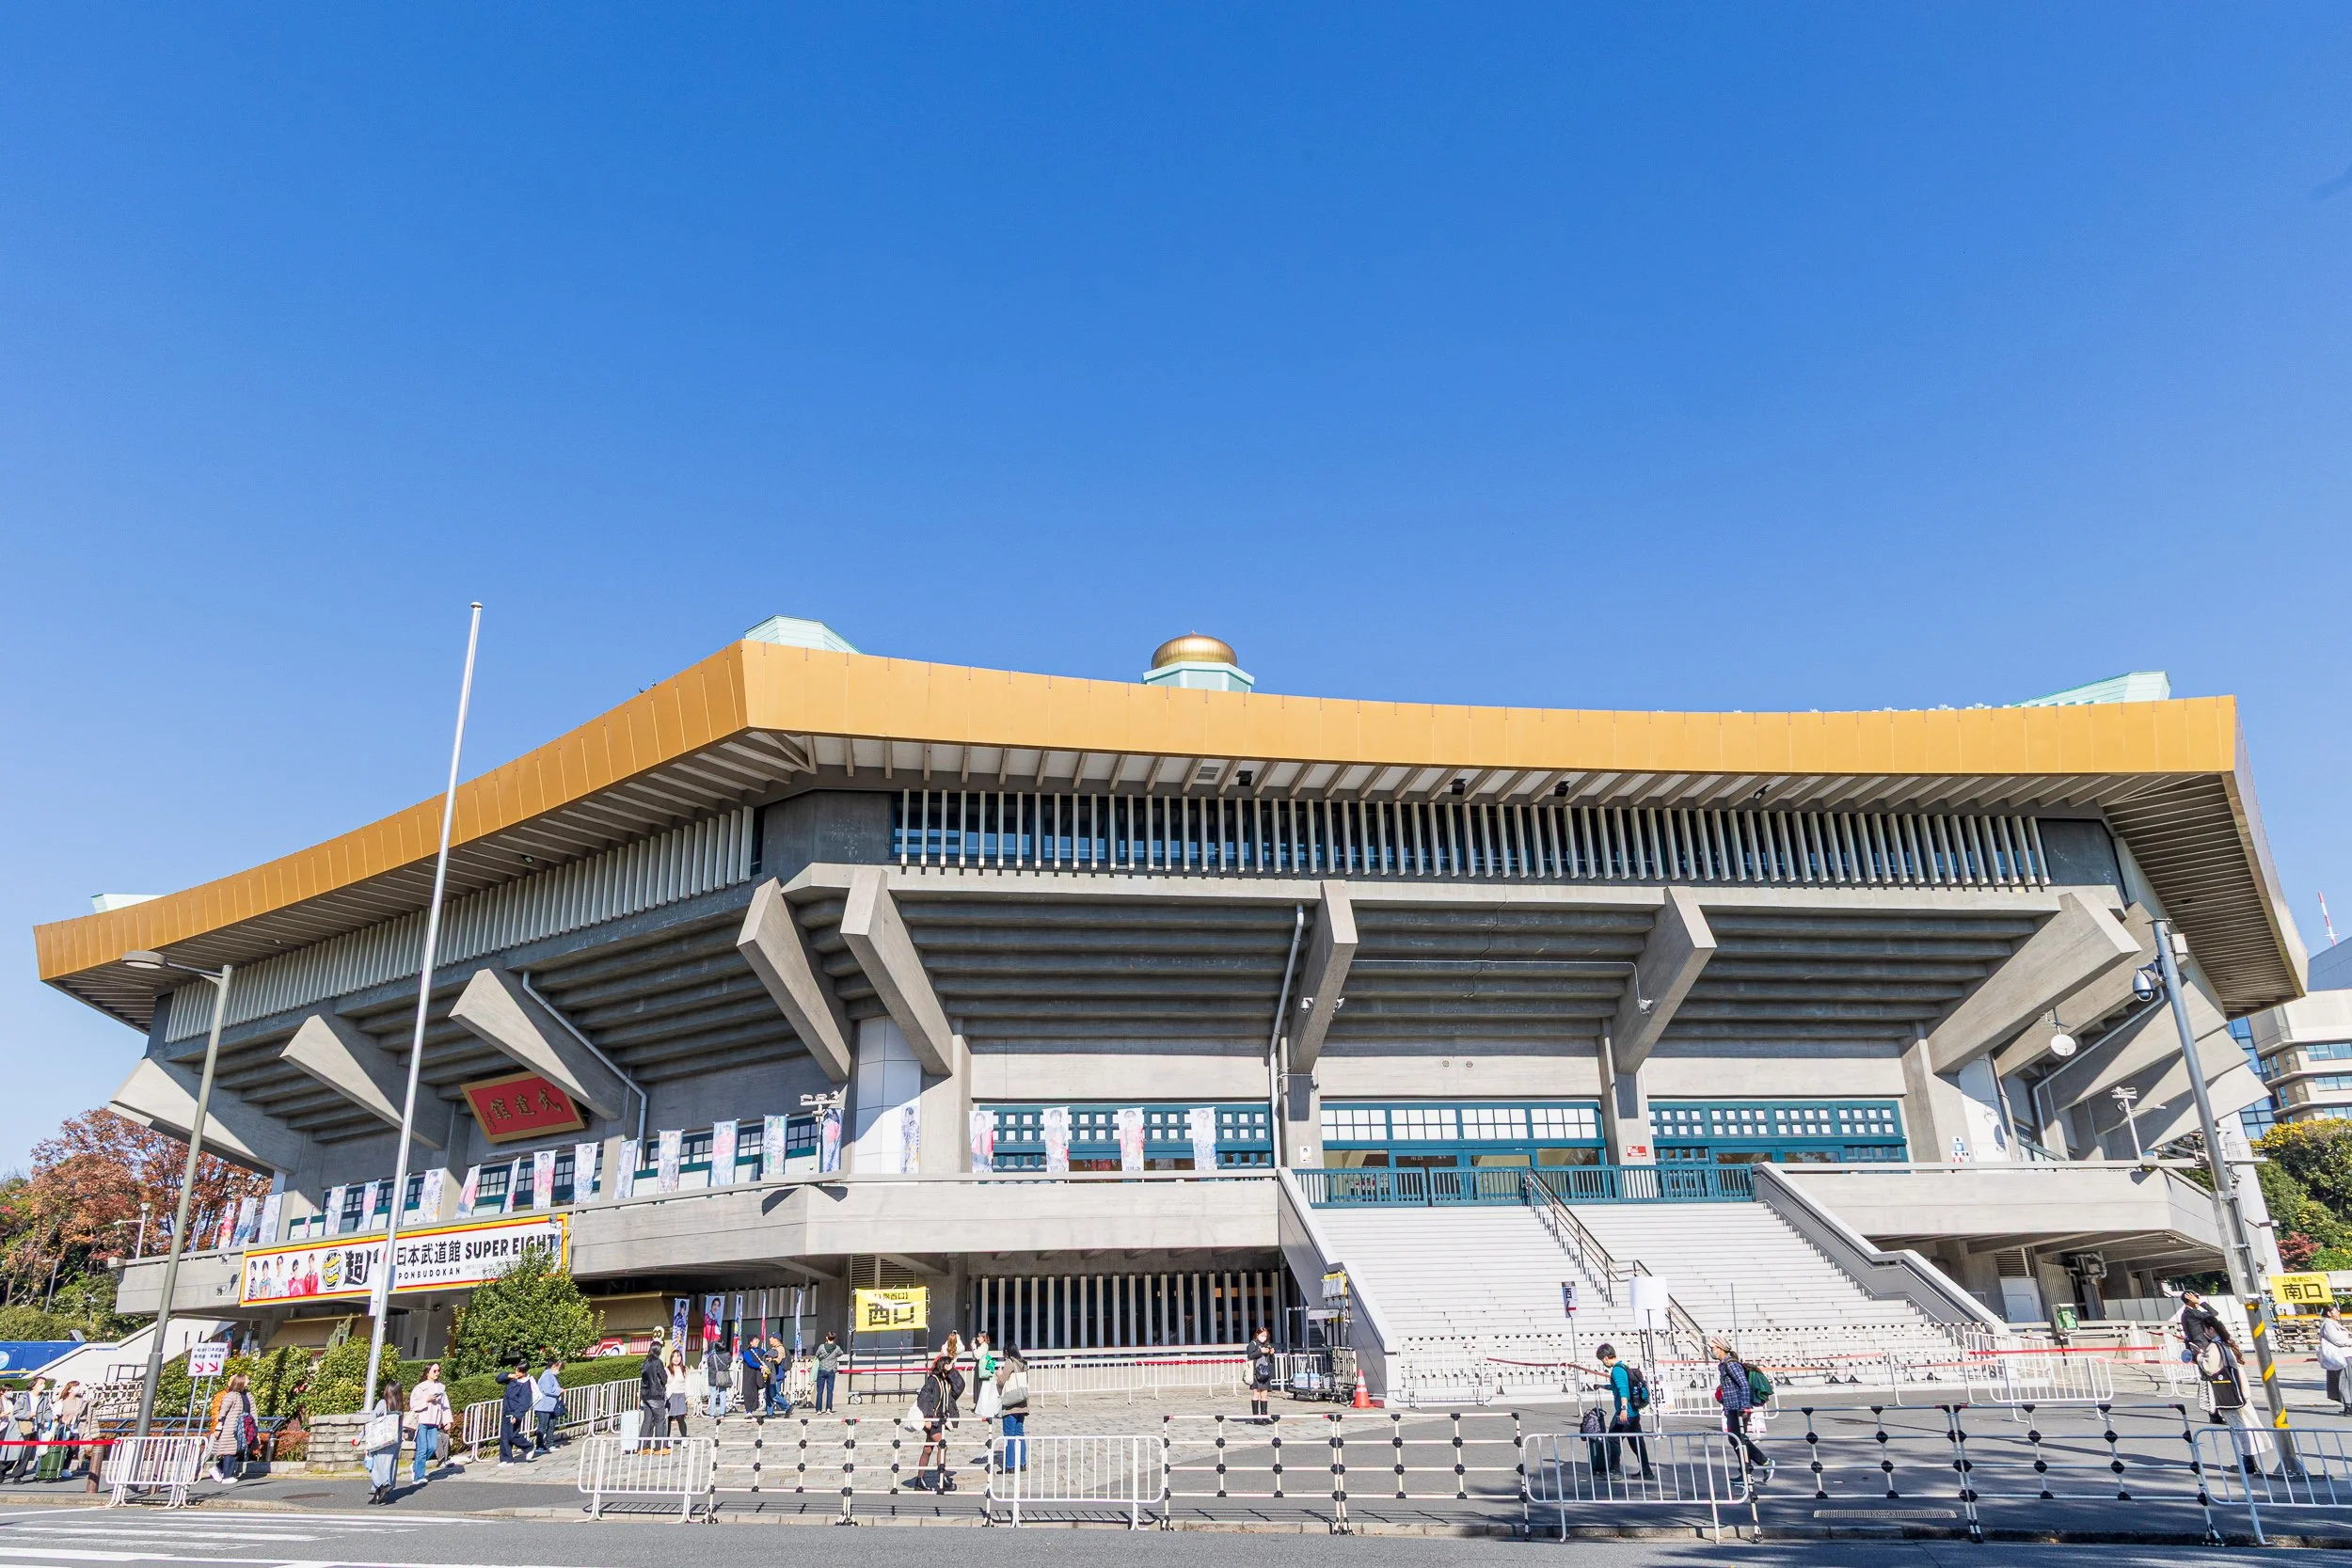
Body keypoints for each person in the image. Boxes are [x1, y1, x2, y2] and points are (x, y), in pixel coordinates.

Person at [1710, 1340, 1772, 1484]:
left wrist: (1744, 1406)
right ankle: (1746, 1472)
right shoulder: (1724, 1364)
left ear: (1720, 1349)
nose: (1711, 1351)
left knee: (1737, 1439)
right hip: (1732, 1407)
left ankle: (1763, 1462)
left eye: (1713, 1348)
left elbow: (1743, 1383)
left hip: (1739, 1407)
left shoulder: (1730, 1364)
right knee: (1737, 1439)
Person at [911, 1335, 965, 1491]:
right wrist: (928, 1418)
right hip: (933, 1420)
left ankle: (919, 1480)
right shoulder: (933, 1380)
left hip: (940, 1419)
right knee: (943, 1446)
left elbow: (960, 1386)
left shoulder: (946, 1381)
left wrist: (953, 1371)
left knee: (928, 1449)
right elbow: (924, 1398)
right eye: (947, 1366)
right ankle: (943, 1478)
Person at [1595, 1343, 1654, 1481]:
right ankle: (1646, 1471)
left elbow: (1623, 1391)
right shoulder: (1623, 1367)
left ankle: (1615, 1471)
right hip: (1633, 1413)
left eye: (1602, 1360)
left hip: (1626, 1413)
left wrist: (1623, 1409)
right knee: (1636, 1441)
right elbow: (1618, 1386)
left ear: (1605, 1358)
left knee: (1613, 1439)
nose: (1603, 1364)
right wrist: (1602, 1386)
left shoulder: (1616, 1370)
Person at [408, 1364, 452, 1484]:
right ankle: (419, 1476)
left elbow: (445, 1406)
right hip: (422, 1421)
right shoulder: (420, 1388)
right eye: (434, 1371)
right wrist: (426, 1400)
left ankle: (416, 1465)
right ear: (428, 1372)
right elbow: (413, 1404)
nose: (437, 1373)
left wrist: (446, 1421)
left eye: (438, 1370)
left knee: (432, 1447)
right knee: (422, 1449)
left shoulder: (441, 1388)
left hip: (434, 1422)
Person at [363, 1380, 404, 1504]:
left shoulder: (383, 1403)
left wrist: (361, 1438)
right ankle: (380, 1493)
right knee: (389, 1467)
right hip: (394, 1440)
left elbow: (371, 1422)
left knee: (376, 1466)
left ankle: (383, 1485)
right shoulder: (400, 1407)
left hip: (380, 1440)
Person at [209, 1374, 253, 1485]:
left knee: (238, 1449)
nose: (248, 1381)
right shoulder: (230, 1395)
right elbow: (221, 1412)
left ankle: (218, 1469)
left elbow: (253, 1411)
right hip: (231, 1426)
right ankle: (227, 1476)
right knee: (230, 1450)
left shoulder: (248, 1395)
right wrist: (219, 1425)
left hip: (244, 1426)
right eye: (247, 1380)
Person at [994, 1342, 1028, 1472]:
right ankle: (1022, 1463)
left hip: (1011, 1403)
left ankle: (1010, 1465)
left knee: (1009, 1435)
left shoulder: (1010, 1363)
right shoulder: (1023, 1363)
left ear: (1007, 1352)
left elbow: (1003, 1381)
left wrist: (998, 1375)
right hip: (1023, 1403)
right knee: (1019, 1434)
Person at [969, 1331, 1000, 1462]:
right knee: (979, 1387)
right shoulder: (982, 1346)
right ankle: (979, 1404)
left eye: (979, 1337)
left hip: (982, 1369)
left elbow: (976, 1355)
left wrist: (973, 1347)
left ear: (983, 1337)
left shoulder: (984, 1346)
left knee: (982, 1387)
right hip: (980, 1367)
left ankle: (981, 1405)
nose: (977, 1338)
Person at [500, 1361, 535, 1464]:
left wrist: (517, 1415)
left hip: (514, 1412)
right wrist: (508, 1375)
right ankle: (506, 1459)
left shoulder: (526, 1384)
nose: (516, 1372)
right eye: (516, 1370)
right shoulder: (513, 1379)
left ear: (524, 1372)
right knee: (504, 1437)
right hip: (507, 1409)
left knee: (512, 1435)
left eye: (518, 1371)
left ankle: (529, 1447)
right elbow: (499, 1379)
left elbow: (525, 1402)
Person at [2321, 1305, 2352, 1416]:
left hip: (2345, 1355)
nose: (2338, 1313)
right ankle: (2348, 1405)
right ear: (2329, 1313)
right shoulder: (2328, 1325)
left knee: (2348, 1380)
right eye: (2336, 1311)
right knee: (2345, 1380)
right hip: (2341, 1356)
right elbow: (2337, 1340)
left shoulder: (2333, 1324)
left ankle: (2349, 1403)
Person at [639, 1340, 670, 1447]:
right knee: (660, 1420)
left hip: (646, 1395)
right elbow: (664, 1378)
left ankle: (643, 1446)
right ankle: (660, 1446)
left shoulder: (645, 1362)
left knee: (647, 1421)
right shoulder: (658, 1362)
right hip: (656, 1394)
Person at [534, 1355, 564, 1452]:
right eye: (559, 1367)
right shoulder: (547, 1375)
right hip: (543, 1406)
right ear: (554, 1366)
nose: (559, 1370)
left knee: (551, 1424)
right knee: (542, 1426)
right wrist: (560, 1390)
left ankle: (550, 1443)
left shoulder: (551, 1375)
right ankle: (539, 1445)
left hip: (550, 1406)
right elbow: (548, 1390)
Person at [1248, 1327, 1277, 1420]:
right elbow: (1250, 1355)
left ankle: (1264, 1416)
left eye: (1265, 1335)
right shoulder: (1253, 1344)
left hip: (1265, 1372)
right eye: (1262, 1335)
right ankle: (1256, 1418)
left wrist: (1272, 1354)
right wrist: (1260, 1351)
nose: (1264, 1337)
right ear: (1257, 1335)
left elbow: (1271, 1360)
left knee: (1264, 1394)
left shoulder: (1267, 1344)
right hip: (1256, 1372)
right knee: (1256, 1393)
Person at [813, 1331, 843, 1413]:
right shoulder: (837, 1348)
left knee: (820, 1391)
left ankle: (818, 1409)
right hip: (831, 1370)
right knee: (830, 1391)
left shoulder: (822, 1347)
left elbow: (817, 1354)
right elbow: (841, 1353)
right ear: (834, 1338)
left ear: (827, 1337)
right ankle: (828, 1409)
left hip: (822, 1369)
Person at [739, 1332, 767, 1418]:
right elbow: (750, 1362)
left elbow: (766, 1355)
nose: (757, 1341)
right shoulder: (747, 1352)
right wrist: (760, 1366)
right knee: (748, 1392)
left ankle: (753, 1408)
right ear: (751, 1342)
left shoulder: (760, 1351)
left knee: (755, 1392)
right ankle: (748, 1411)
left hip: (757, 1374)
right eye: (755, 1339)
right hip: (749, 1374)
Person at [665, 1344, 690, 1436]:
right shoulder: (667, 1369)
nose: (676, 1358)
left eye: (678, 1356)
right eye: (674, 1356)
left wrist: (688, 1396)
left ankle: (684, 1438)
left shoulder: (685, 1369)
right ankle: (666, 1440)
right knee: (669, 1418)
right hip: (670, 1395)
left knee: (680, 1418)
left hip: (681, 1395)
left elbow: (687, 1383)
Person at [705, 1341, 734, 1421]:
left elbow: (709, 1364)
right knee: (723, 1395)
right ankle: (722, 1413)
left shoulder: (711, 1356)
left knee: (713, 1396)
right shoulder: (727, 1355)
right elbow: (730, 1362)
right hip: (722, 1377)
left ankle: (712, 1413)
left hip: (713, 1378)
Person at [764, 1337, 792, 1416]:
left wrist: (772, 1360)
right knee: (768, 1394)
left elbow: (779, 1360)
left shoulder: (780, 1348)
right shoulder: (774, 1348)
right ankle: (769, 1413)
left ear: (776, 1339)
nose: (769, 1339)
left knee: (774, 1395)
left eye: (771, 1338)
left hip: (777, 1375)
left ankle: (787, 1407)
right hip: (772, 1374)